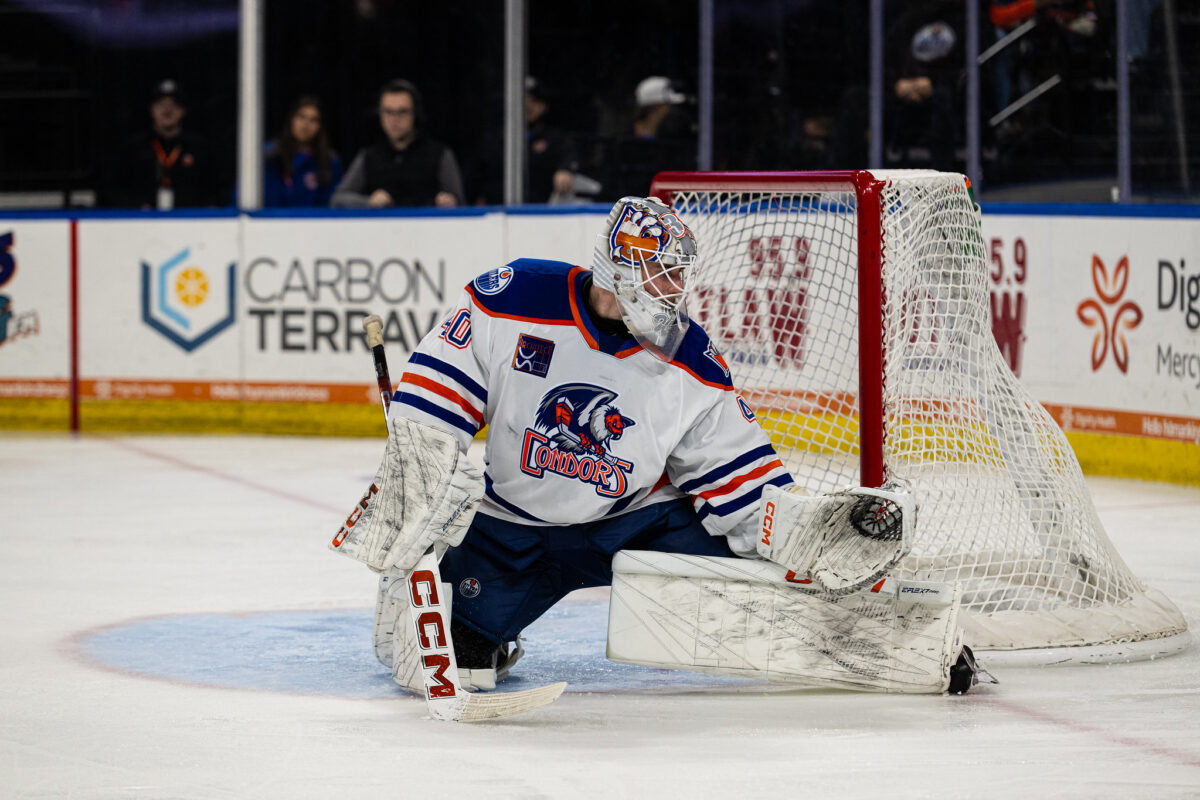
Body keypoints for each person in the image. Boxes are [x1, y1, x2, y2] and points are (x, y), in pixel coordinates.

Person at [337, 196, 982, 695]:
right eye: (663, 276)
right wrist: (423, 465)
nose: (676, 292)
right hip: (511, 526)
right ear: (618, 272)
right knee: (448, 654)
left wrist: (795, 526)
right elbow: (435, 394)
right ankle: (476, 628)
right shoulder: (512, 297)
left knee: (765, 579)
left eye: (679, 277)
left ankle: (896, 643)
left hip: (634, 520)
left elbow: (737, 478)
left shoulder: (689, 358)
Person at [330, 79, 464, 208]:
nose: (395, 119)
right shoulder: (369, 156)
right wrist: (368, 201)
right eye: (388, 112)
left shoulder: (439, 154)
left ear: (415, 114)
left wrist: (450, 202)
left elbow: (460, 202)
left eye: (402, 112)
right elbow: (338, 199)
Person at [101, 79, 226, 209]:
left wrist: (200, 209)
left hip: (189, 222)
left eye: (173, 105)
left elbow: (218, 189)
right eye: (161, 105)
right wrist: (136, 206)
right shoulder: (133, 148)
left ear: (183, 111)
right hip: (142, 222)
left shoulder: (199, 148)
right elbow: (111, 189)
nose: (167, 110)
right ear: (152, 110)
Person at [600, 77, 696, 200]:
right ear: (657, 107)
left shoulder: (673, 139)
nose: (670, 110)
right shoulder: (623, 142)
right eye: (666, 105)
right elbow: (611, 183)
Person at [263, 96, 343, 207]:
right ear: (292, 119)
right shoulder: (270, 155)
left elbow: (333, 201)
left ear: (320, 126)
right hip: (271, 220)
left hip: (313, 222)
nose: (306, 124)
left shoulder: (330, 161)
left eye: (313, 120)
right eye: (301, 117)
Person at [524, 77, 579, 203]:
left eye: (535, 101)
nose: (529, 106)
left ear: (544, 106)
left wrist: (565, 169)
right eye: (525, 101)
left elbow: (569, 153)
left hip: (543, 208)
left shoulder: (553, 137)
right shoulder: (500, 138)